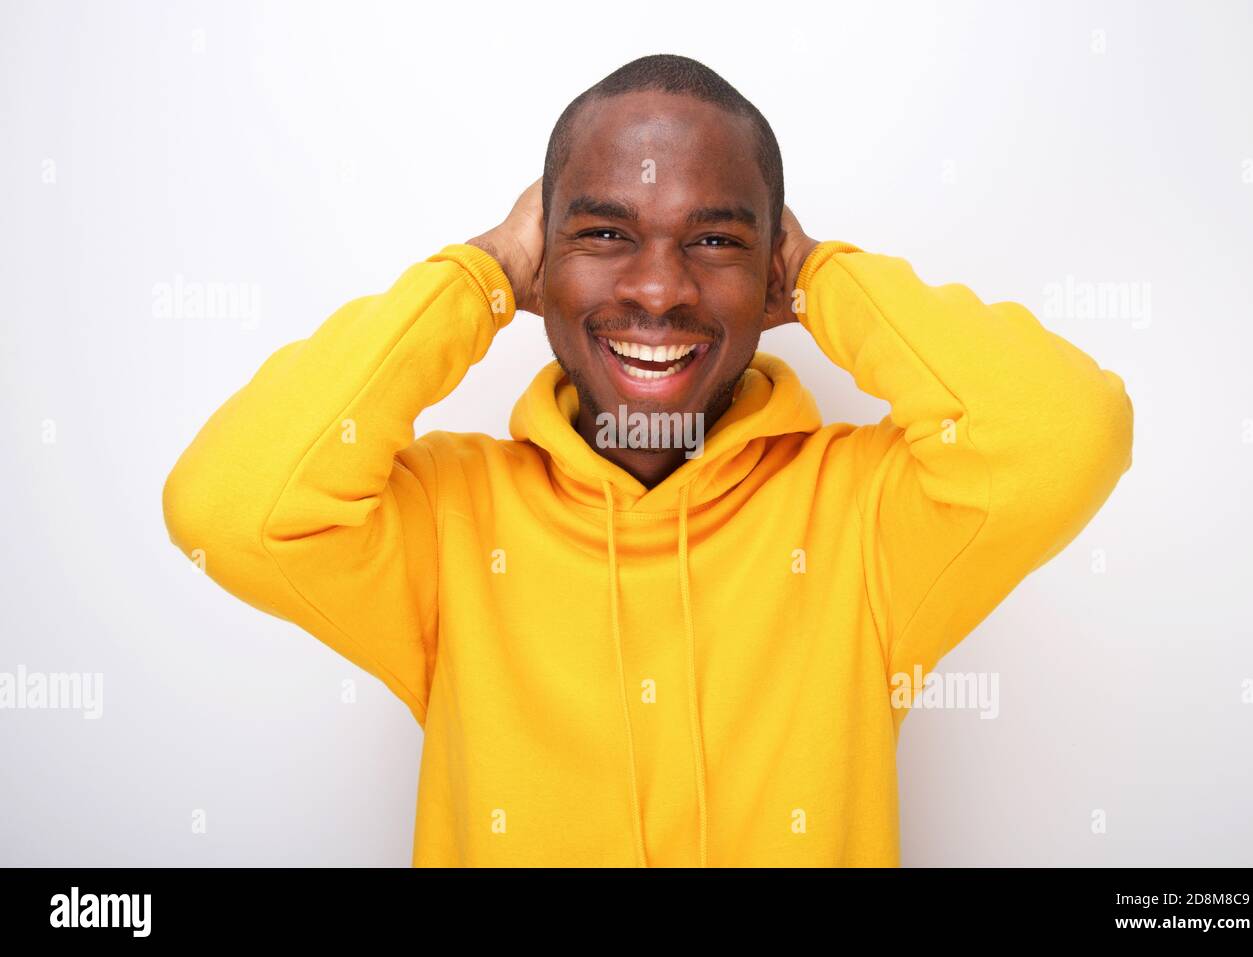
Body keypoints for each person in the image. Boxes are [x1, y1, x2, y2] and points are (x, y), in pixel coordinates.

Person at [162, 54, 1134, 867]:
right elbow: (227, 511)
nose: (660, 289)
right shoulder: (449, 525)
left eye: (714, 239)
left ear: (770, 280)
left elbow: (1065, 431)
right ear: (543, 269)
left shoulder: (865, 519)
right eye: (603, 234)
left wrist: (824, 275)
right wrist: (480, 275)